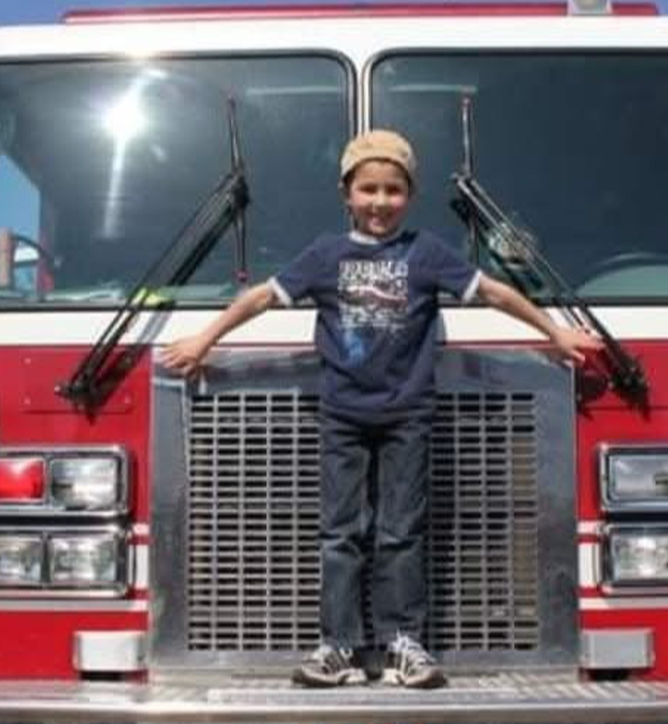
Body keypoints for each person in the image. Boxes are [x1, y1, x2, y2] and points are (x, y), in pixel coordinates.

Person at [161, 129, 602, 688]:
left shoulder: (427, 254)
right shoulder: (325, 255)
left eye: (393, 189)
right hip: (342, 416)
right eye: (368, 189)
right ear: (346, 193)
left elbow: (495, 292)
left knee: (401, 532)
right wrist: (204, 339)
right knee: (340, 533)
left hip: (407, 416)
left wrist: (555, 332)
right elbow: (262, 297)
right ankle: (338, 647)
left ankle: (404, 645)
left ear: (410, 195)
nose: (380, 201)